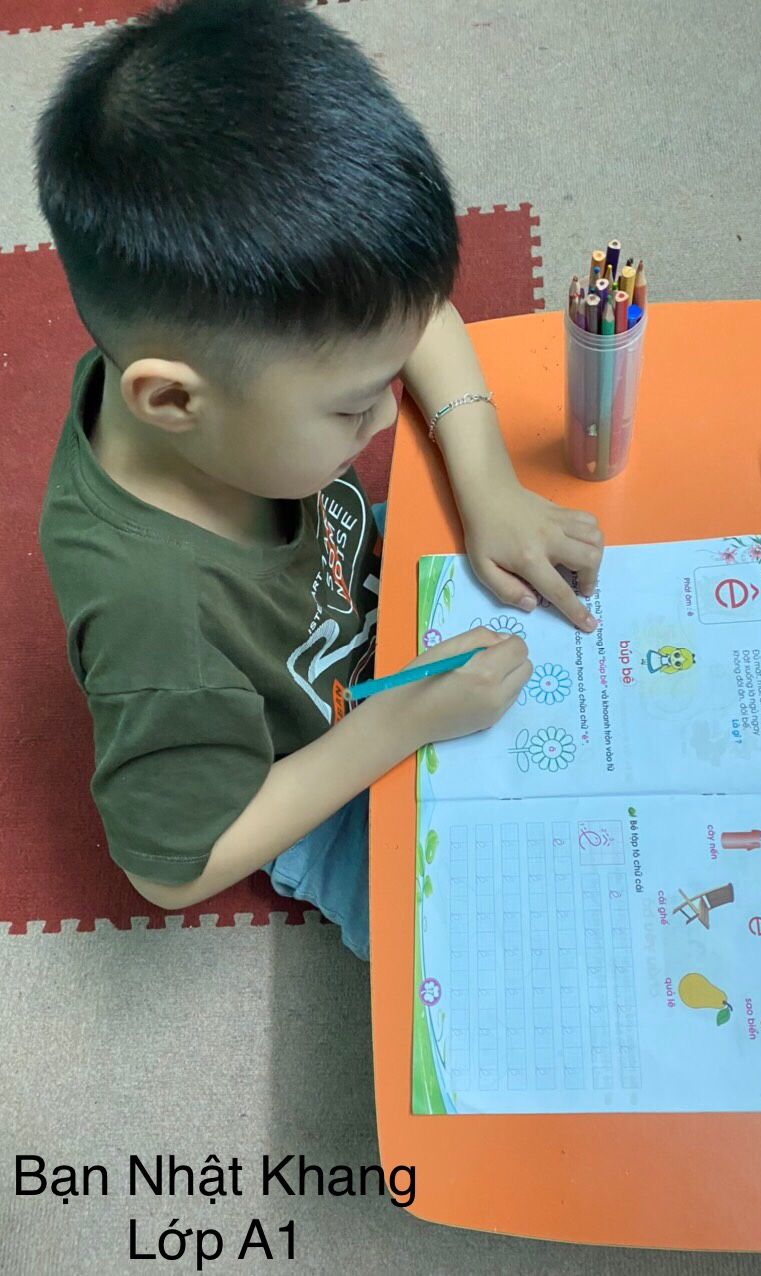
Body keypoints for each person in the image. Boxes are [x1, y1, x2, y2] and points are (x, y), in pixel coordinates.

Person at [35, 0, 604, 960]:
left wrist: (488, 483)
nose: (384, 422)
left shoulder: (220, 373)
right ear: (172, 401)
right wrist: (403, 725)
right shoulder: (159, 626)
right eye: (352, 409)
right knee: (503, 938)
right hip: (315, 765)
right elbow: (172, 867)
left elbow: (418, 319)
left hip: (369, 599)